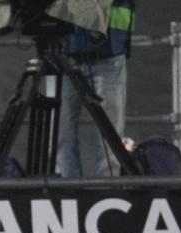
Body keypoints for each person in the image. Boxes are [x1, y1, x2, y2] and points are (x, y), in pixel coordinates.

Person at [57, 0, 136, 178]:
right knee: (62, 134)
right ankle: (66, 192)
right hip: (67, 54)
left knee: (110, 138)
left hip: (109, 55)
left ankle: (109, 192)